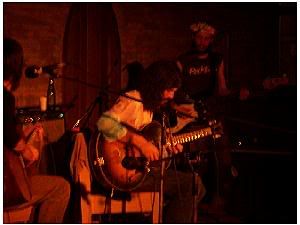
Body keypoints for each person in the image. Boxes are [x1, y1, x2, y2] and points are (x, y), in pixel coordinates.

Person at [96, 60, 206, 223]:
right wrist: (139, 141)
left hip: (140, 170)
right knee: (191, 184)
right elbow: (104, 123)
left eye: (173, 91)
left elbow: (149, 150)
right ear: (156, 85)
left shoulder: (149, 109)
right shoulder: (133, 100)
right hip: (120, 170)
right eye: (169, 90)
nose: (171, 96)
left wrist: (167, 150)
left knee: (194, 184)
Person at [173, 22, 241, 212]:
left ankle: (217, 200)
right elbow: (175, 92)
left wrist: (237, 93)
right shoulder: (182, 61)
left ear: (211, 40)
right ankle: (190, 200)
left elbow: (222, 89)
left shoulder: (216, 60)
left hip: (212, 114)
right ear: (193, 38)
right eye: (199, 37)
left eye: (206, 38)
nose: (202, 42)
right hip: (190, 118)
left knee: (222, 158)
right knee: (191, 159)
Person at [3, 37, 70, 223]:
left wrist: (27, 132)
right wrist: (28, 149)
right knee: (61, 188)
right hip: (5, 189)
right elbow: (9, 137)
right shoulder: (5, 97)